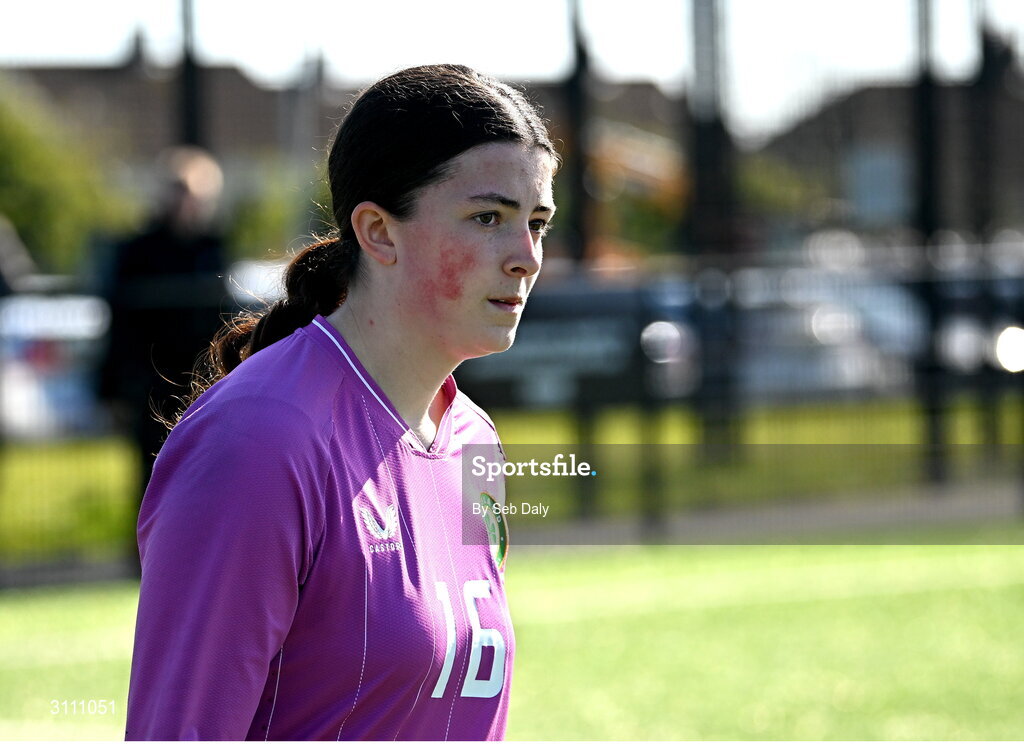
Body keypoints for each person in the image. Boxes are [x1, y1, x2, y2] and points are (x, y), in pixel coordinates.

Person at [125, 64, 558, 740]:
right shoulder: (257, 440)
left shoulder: (473, 439)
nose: (526, 256)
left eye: (537, 221)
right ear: (379, 232)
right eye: (488, 217)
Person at [97, 146, 227, 497]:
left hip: (203, 381)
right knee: (153, 475)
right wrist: (114, 386)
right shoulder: (137, 251)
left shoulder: (213, 249)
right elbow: (120, 320)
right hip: (151, 385)